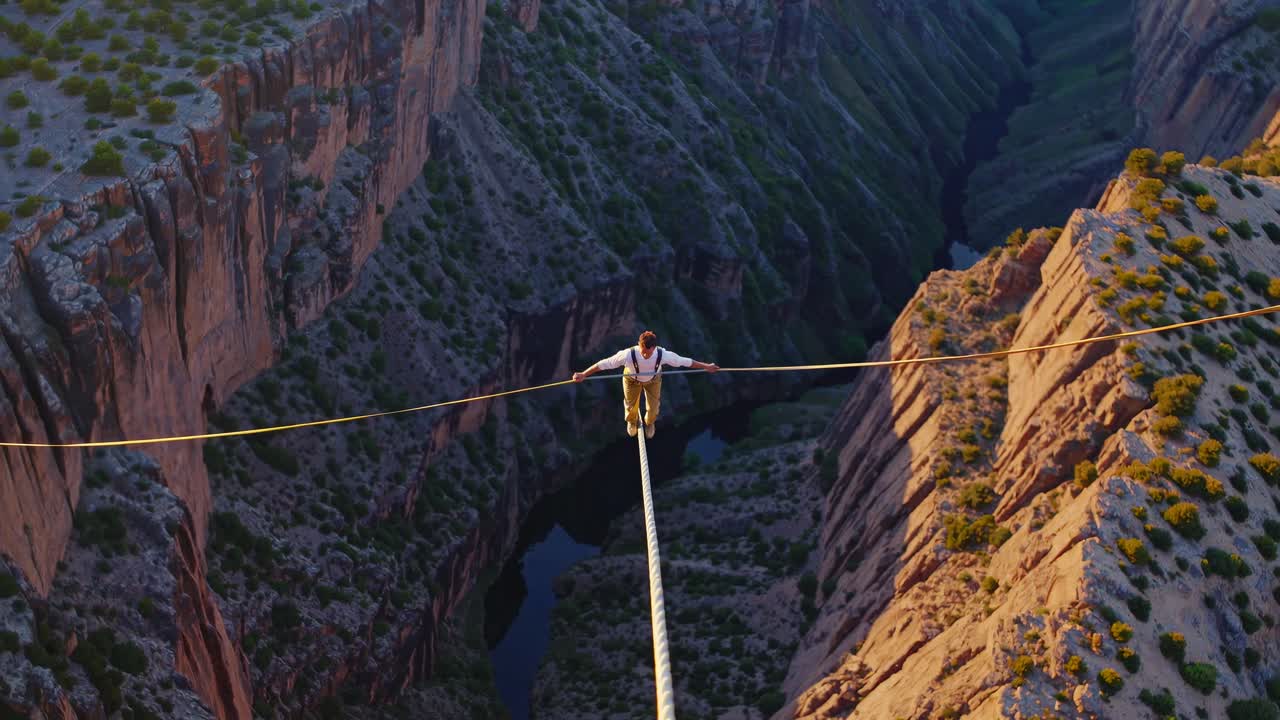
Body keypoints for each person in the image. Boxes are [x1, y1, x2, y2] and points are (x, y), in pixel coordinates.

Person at [572, 331, 719, 439]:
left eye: (648, 353)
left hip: (653, 380)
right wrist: (584, 374)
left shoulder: (663, 355)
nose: (645, 356)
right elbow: (603, 364)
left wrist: (707, 366)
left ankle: (650, 423)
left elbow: (686, 361)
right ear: (638, 344)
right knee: (630, 405)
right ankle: (632, 421)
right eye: (643, 352)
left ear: (654, 347)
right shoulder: (628, 354)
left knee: (653, 408)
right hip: (631, 379)